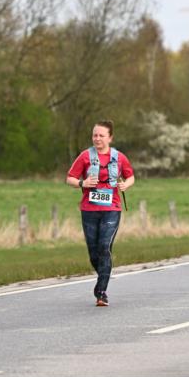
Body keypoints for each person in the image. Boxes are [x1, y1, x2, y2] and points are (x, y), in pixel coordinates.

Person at [66, 120, 135, 307]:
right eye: (94, 135)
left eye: (101, 135)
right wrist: (83, 183)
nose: (97, 138)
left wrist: (125, 185)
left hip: (111, 209)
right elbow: (70, 178)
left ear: (110, 138)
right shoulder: (85, 156)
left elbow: (130, 176)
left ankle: (101, 292)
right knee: (94, 252)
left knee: (105, 246)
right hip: (89, 210)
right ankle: (105, 273)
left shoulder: (119, 158)